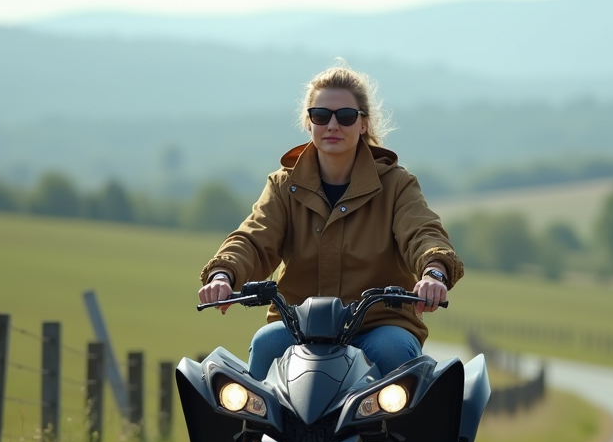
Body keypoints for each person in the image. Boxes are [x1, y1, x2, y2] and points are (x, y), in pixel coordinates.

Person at [197, 63, 463, 379]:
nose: (332, 125)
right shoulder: (284, 186)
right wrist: (223, 274)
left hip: (378, 326)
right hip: (299, 327)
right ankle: (252, 432)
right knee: (265, 347)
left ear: (363, 123)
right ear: (308, 122)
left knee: (396, 351)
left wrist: (434, 272)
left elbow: (423, 232)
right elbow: (254, 238)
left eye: (346, 116)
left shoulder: (396, 185)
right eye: (321, 116)